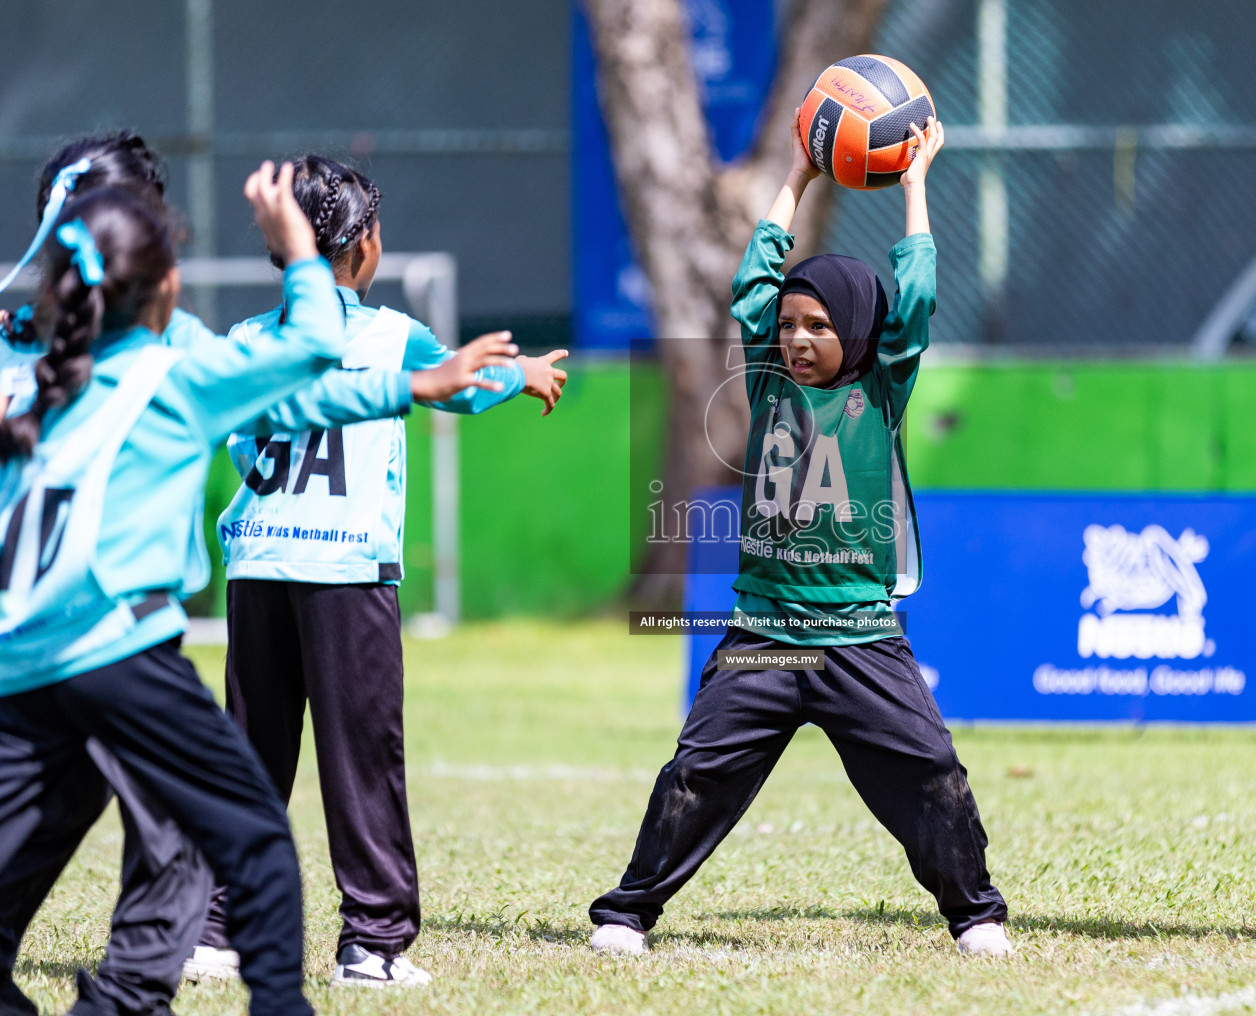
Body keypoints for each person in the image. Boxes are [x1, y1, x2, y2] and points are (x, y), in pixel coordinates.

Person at [0, 134, 517, 1016]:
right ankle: (331, 962)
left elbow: (285, 403)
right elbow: (309, 373)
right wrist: (429, 383)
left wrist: (413, 388)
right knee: (271, 802)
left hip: (43, 646)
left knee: (199, 787)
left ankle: (196, 944)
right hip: (143, 638)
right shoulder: (193, 367)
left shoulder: (34, 370)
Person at [587, 111, 1012, 957]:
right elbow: (754, 279)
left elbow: (917, 292)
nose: (799, 337)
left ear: (857, 333)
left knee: (932, 774)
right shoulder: (770, 374)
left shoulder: (884, 383)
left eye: (819, 325)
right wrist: (799, 176)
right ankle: (628, 913)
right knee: (695, 778)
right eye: (791, 324)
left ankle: (976, 916)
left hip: (859, 636)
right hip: (767, 635)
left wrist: (917, 185)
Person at [194, 155, 569, 988]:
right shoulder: (393, 335)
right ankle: (371, 942)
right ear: (362, 246)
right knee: (362, 758)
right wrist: (523, 376)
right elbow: (464, 390)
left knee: (252, 756)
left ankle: (216, 932)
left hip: (258, 565)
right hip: (347, 573)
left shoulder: (248, 341)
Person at [0, 164, 339, 1016]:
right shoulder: (173, 375)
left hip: (22, 661)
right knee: (256, 839)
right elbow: (314, 347)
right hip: (118, 649)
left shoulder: (39, 390)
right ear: (168, 288)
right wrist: (298, 249)